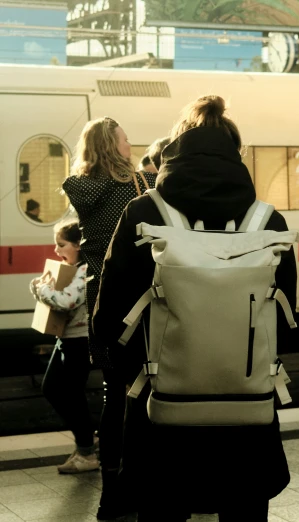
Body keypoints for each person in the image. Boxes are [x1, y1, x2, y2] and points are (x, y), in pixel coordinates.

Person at [93, 95, 294, 520]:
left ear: (174, 149)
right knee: (243, 510)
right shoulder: (267, 220)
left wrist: (138, 373)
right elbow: (285, 314)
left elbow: (108, 315)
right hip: (249, 414)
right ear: (236, 154)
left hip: (161, 413)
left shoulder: (144, 212)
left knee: (163, 508)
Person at [61, 117, 156, 520]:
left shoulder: (81, 189)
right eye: (125, 140)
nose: (130, 145)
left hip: (103, 300)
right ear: (111, 146)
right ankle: (142, 484)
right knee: (145, 390)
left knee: (113, 392)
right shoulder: (135, 188)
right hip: (139, 298)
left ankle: (109, 493)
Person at [30, 220, 97, 474]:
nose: (56, 251)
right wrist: (40, 288)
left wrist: (42, 288)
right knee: (55, 389)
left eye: (61, 245)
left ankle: (87, 450)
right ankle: (86, 441)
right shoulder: (73, 269)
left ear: (78, 246)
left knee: (70, 393)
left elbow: (67, 301)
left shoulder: (85, 270)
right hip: (67, 338)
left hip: (80, 341)